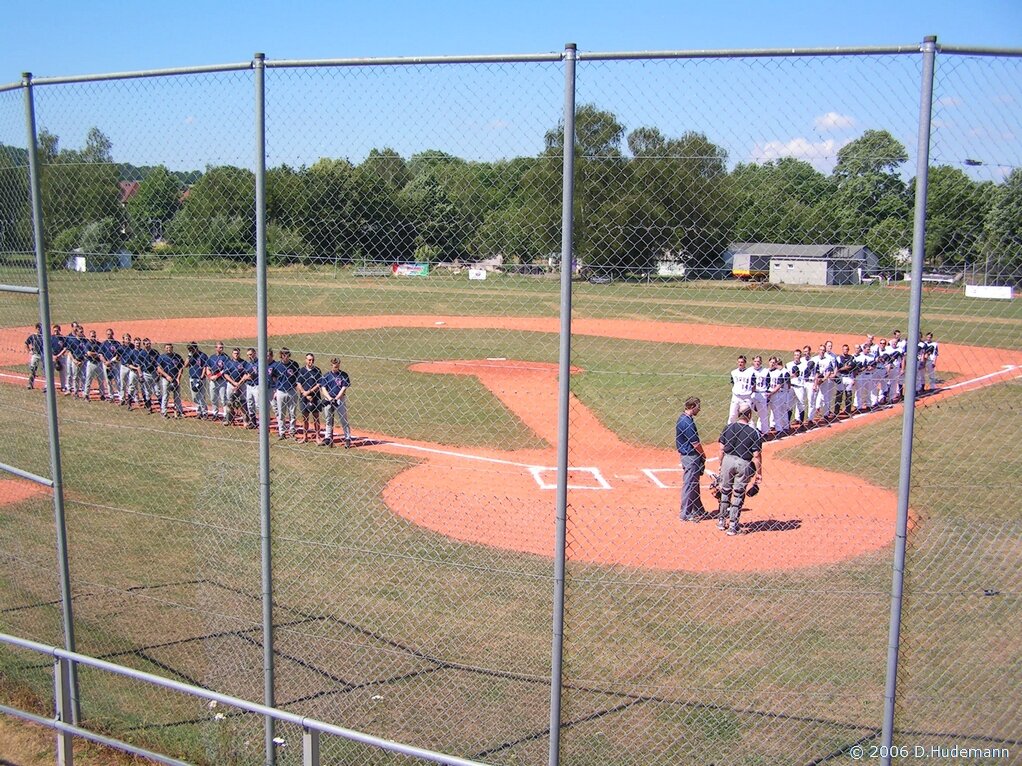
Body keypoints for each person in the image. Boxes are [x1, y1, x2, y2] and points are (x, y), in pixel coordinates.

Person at [716, 406, 763, 537]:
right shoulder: (753, 432)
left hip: (727, 460)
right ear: (749, 415)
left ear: (738, 414)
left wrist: (720, 465)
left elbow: (721, 449)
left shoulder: (728, 427)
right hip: (743, 463)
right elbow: (757, 455)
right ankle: (732, 526)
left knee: (725, 491)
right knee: (738, 494)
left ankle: (721, 521)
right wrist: (759, 473)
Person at [675, 397, 706, 522]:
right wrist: (703, 454)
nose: (699, 409)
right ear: (692, 406)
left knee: (694, 483)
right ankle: (685, 513)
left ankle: (698, 509)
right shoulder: (687, 422)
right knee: (689, 484)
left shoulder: (684, 418)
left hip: (688, 456)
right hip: (690, 456)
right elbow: (695, 443)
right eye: (698, 406)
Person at [319, 357, 353, 448]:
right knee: (328, 420)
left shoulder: (343, 375)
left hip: (339, 400)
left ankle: (347, 438)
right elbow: (323, 388)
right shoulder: (326, 376)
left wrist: (336, 398)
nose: (336, 366)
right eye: (335, 364)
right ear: (331, 365)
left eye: (337, 364)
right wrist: (330, 398)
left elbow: (343, 388)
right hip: (328, 399)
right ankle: (327, 438)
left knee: (343, 419)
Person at [270, 347, 300, 440]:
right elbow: (273, 377)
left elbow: (298, 377)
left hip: (291, 390)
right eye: (283, 354)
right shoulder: (277, 365)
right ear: (281, 355)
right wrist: (276, 389)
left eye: (287, 354)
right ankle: (282, 432)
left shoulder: (294, 364)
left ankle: (292, 431)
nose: (285, 356)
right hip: (281, 391)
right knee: (281, 413)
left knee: (292, 413)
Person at [296, 353, 322, 444]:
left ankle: (318, 437)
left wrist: (310, 391)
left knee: (316, 417)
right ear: (306, 360)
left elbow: (319, 384)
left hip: (315, 397)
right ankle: (305, 436)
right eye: (309, 360)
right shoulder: (301, 371)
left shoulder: (317, 370)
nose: (311, 361)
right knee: (305, 418)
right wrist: (305, 393)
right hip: (304, 397)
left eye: (312, 360)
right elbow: (298, 383)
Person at [156, 342, 185, 418]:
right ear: (165, 349)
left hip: (175, 379)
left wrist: (178, 378)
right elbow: (158, 368)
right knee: (165, 395)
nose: (169, 349)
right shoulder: (162, 357)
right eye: (167, 348)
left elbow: (181, 368)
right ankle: (163, 412)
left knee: (177, 396)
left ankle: (179, 411)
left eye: (170, 348)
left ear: (172, 348)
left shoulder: (177, 357)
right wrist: (167, 376)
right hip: (166, 379)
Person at [765, 356, 790, 436]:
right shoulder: (765, 372)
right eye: (771, 362)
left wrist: (771, 392)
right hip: (766, 394)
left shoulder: (780, 373)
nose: (772, 364)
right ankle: (763, 429)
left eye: (774, 362)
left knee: (777, 412)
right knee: (764, 412)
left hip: (776, 394)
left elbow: (781, 385)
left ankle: (780, 429)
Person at [727, 355, 755, 424]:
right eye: (739, 362)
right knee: (732, 415)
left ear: (745, 363)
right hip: (736, 396)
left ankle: (750, 432)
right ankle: (730, 431)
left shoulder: (750, 373)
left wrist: (749, 392)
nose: (740, 364)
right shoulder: (733, 372)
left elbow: (754, 385)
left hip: (746, 397)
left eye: (742, 362)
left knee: (748, 417)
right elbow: (733, 383)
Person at [206, 341, 230, 421]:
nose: (221, 349)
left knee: (223, 398)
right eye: (219, 347)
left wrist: (217, 375)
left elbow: (225, 369)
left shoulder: (225, 357)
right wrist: (210, 376)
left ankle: (226, 415)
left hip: (222, 381)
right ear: (215, 348)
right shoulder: (212, 357)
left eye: (222, 347)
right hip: (213, 381)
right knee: (213, 398)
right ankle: (215, 414)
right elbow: (207, 368)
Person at [222, 347, 246, 426]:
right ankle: (229, 419)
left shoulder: (244, 363)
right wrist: (234, 383)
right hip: (230, 385)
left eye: (237, 353)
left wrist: (239, 383)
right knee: (229, 402)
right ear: (232, 354)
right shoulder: (228, 363)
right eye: (235, 353)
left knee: (243, 402)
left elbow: (246, 374)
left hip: (242, 385)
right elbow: (226, 374)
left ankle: (245, 420)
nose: (236, 355)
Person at [83, 329, 108, 401]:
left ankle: (102, 395)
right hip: (91, 363)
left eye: (94, 336)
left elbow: (101, 354)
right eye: (92, 336)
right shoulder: (87, 344)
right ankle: (86, 395)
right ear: (89, 336)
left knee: (101, 380)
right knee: (88, 380)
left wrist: (95, 354)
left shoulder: (99, 344)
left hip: (99, 363)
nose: (93, 337)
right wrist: (97, 354)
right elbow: (89, 353)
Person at [186, 343, 210, 419]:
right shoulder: (190, 356)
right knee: (194, 396)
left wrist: (202, 376)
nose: (191, 351)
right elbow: (185, 365)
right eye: (189, 350)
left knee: (202, 396)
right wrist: (189, 356)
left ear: (196, 348)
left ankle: (204, 413)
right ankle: (199, 412)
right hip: (192, 378)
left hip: (200, 378)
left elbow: (205, 366)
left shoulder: (203, 355)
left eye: (192, 349)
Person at [240, 347, 261, 429]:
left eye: (251, 354)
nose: (249, 356)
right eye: (248, 355)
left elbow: (255, 375)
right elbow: (246, 375)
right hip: (249, 386)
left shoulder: (259, 363)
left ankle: (261, 423)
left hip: (257, 386)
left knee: (258, 404)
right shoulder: (248, 364)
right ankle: (253, 422)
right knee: (250, 404)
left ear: (255, 353)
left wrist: (250, 376)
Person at [750, 355, 770, 436]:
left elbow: (768, 382)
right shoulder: (749, 371)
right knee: (748, 413)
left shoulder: (765, 371)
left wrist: (767, 393)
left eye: (758, 361)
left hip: (762, 393)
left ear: (761, 362)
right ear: (752, 362)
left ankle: (765, 432)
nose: (757, 363)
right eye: (755, 361)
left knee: (763, 414)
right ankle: (751, 432)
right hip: (752, 394)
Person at [100, 328, 121, 403]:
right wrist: (105, 362)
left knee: (117, 380)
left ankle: (120, 396)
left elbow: (119, 355)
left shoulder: (117, 344)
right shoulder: (103, 344)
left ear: (113, 334)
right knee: (108, 380)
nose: (109, 335)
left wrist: (111, 361)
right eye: (108, 334)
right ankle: (111, 396)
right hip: (106, 365)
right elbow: (100, 354)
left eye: (110, 334)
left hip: (115, 364)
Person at [786, 349, 806, 426]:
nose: (796, 357)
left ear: (800, 356)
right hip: (791, 387)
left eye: (798, 355)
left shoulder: (804, 365)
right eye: (795, 355)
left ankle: (801, 423)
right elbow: (786, 376)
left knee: (801, 404)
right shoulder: (788, 365)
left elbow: (806, 376)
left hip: (800, 387)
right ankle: (787, 424)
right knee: (789, 405)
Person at [835, 344, 855, 416]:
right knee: (839, 394)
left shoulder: (851, 357)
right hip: (841, 377)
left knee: (849, 394)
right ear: (842, 350)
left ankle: (848, 411)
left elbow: (852, 367)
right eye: (844, 349)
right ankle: (836, 411)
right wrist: (844, 368)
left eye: (847, 349)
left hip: (849, 377)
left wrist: (853, 379)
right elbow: (837, 369)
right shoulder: (838, 358)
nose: (845, 351)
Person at [50, 324, 68, 394]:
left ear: (59, 330)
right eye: (54, 330)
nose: (56, 332)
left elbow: (65, 348)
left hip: (61, 357)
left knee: (63, 372)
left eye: (57, 330)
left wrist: (59, 355)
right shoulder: (51, 338)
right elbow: (48, 347)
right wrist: (53, 356)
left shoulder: (63, 338)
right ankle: (49, 386)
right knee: (50, 372)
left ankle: (63, 386)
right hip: (52, 357)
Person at [25, 324, 43, 389]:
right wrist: (29, 351)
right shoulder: (33, 336)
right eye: (38, 328)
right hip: (35, 354)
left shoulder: (44, 336)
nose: (39, 329)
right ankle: (30, 384)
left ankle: (47, 385)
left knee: (45, 370)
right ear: (36, 329)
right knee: (33, 370)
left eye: (40, 328)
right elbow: (26, 343)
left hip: (43, 355)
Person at [117, 333, 133, 405]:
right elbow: (117, 356)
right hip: (123, 366)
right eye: (126, 339)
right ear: (123, 340)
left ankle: (131, 398)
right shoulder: (120, 348)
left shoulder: (132, 346)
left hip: (131, 367)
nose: (128, 340)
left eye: (129, 339)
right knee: (122, 383)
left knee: (131, 383)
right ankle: (122, 398)